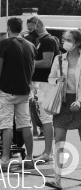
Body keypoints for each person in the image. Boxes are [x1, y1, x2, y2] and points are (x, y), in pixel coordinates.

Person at [0, 17, 35, 167]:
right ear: (21, 28)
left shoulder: (4, 44)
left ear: (8, 28)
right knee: (25, 124)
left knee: (6, 125)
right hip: (24, 90)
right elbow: (32, 68)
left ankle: (5, 159)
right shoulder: (30, 45)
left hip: (6, 90)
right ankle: (29, 158)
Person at [46, 29, 81, 189]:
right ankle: (57, 179)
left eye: (68, 40)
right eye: (64, 39)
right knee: (59, 141)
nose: (64, 42)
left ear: (78, 43)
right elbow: (51, 77)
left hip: (79, 102)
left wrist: (80, 101)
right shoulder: (59, 59)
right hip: (63, 102)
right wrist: (56, 82)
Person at [30, 17, 59, 163]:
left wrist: (29, 62)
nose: (30, 32)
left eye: (31, 29)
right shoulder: (43, 40)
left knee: (47, 119)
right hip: (42, 84)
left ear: (38, 25)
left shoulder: (47, 41)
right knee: (45, 118)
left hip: (46, 84)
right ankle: (47, 152)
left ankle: (48, 153)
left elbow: (47, 62)